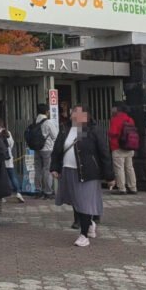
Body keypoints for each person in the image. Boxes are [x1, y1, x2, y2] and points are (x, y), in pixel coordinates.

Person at [51, 104, 111, 248]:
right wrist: (54, 167)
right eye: (72, 113)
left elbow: (104, 153)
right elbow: (57, 148)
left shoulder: (92, 131)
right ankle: (89, 223)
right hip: (68, 170)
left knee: (84, 202)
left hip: (87, 172)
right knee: (75, 200)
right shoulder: (65, 129)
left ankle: (84, 235)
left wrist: (110, 176)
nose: (72, 115)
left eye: (76, 113)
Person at [108, 102, 138, 194]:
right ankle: (133, 187)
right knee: (129, 168)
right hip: (129, 147)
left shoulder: (115, 119)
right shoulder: (130, 119)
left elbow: (113, 132)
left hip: (118, 147)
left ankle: (122, 188)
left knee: (119, 168)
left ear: (116, 109)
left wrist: (108, 134)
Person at [32, 103, 59, 199]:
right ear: (46, 112)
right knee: (47, 169)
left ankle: (38, 191)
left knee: (38, 169)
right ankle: (48, 192)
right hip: (47, 149)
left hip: (37, 149)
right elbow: (55, 136)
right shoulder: (48, 122)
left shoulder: (35, 121)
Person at [0, 123, 25, 203]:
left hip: (0, 159)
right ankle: (18, 192)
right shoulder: (8, 132)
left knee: (1, 178)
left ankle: (2, 196)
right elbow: (11, 144)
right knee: (12, 176)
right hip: (9, 158)